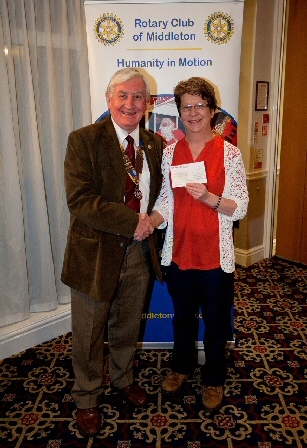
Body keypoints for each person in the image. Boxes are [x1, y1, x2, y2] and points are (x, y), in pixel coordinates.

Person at [61, 68, 164, 437]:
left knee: (126, 323)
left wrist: (151, 221)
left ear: (148, 104)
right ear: (109, 100)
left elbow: (162, 196)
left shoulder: (155, 145)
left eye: (138, 97)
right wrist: (130, 222)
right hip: (95, 254)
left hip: (139, 252)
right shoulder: (83, 140)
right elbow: (80, 200)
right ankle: (87, 397)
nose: (130, 104)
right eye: (123, 95)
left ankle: (123, 378)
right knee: (89, 333)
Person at [149, 77, 249, 412]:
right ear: (179, 112)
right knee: (183, 319)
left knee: (217, 322)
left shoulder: (229, 153)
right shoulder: (169, 153)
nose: (193, 113)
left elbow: (241, 206)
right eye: (186, 107)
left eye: (199, 106)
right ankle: (180, 368)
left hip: (214, 258)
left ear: (212, 110)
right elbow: (165, 201)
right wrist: (150, 221)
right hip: (180, 254)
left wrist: (209, 198)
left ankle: (214, 378)